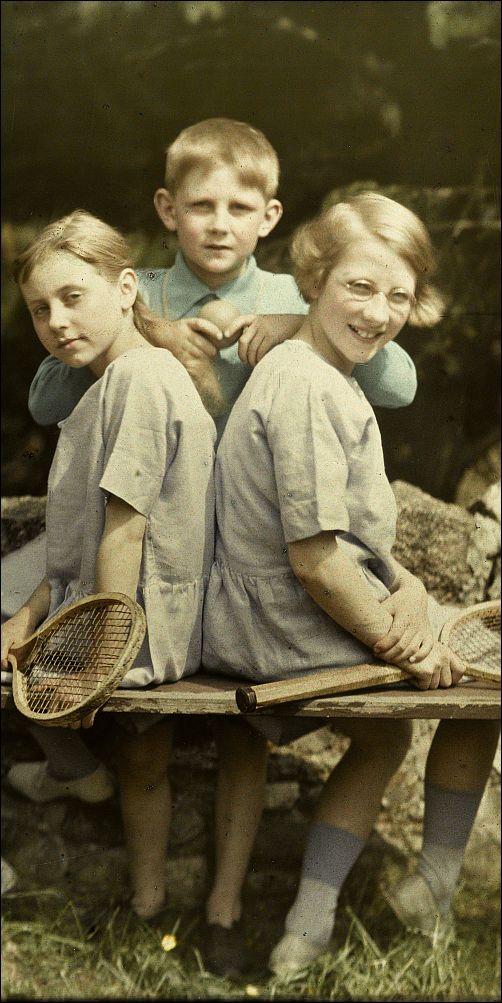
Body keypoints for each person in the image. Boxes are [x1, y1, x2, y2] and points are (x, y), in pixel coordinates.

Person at [4, 119, 418, 976]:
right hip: (153, 519)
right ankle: (124, 859)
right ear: (168, 210)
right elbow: (52, 396)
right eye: (200, 205)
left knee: (245, 740)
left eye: (239, 206)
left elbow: (395, 374)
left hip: (250, 538)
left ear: (269, 215)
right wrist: (144, 323)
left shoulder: (300, 290)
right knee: (49, 621)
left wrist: (287, 320)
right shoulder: (133, 287)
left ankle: (225, 907)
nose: (219, 223)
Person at [201, 191, 500, 976]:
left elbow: (351, 542)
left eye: (398, 295)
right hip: (280, 621)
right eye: (359, 288)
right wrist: (400, 639)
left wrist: (400, 582)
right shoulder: (302, 384)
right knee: (486, 677)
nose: (378, 312)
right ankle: (432, 880)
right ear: (315, 276)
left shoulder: (328, 374)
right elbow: (315, 560)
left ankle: (306, 928)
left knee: (397, 723)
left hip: (293, 605)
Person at [1, 210, 216, 922]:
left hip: (136, 628)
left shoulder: (141, 379)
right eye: (40, 308)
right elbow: (73, 549)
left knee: (144, 752)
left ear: (126, 288)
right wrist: (29, 615)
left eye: (73, 296)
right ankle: (148, 902)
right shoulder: (108, 385)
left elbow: (125, 534)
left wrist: (96, 657)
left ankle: (78, 779)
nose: (57, 320)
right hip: (119, 614)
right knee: (144, 760)